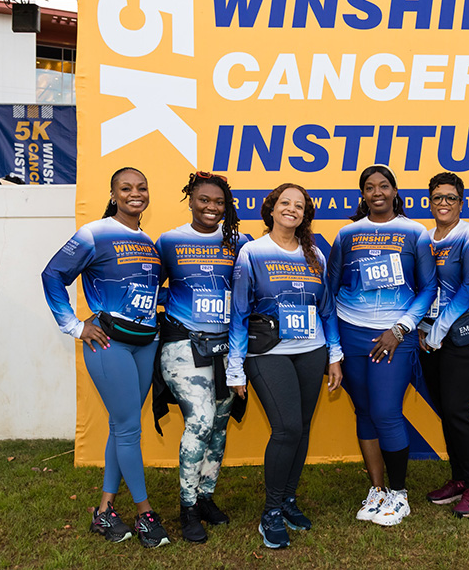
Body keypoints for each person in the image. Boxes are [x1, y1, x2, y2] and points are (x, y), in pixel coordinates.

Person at [41, 167, 170, 547]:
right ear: (114, 194)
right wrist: (75, 326)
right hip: (108, 344)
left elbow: (144, 292)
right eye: (126, 188)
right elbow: (52, 274)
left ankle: (104, 511)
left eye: (142, 187)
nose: (135, 193)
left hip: (145, 342)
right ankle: (145, 514)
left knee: (122, 425)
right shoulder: (93, 233)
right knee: (130, 427)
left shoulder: (147, 240)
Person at [226, 183, 343, 549]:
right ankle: (271, 512)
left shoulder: (316, 256)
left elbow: (326, 309)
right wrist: (234, 366)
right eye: (285, 203)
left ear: (305, 214)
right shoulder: (253, 252)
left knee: (302, 428)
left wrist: (335, 354)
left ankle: (289, 500)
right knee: (286, 428)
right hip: (268, 352)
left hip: (312, 349)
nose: (292, 209)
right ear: (272, 209)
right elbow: (240, 312)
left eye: (299, 205)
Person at [327, 164, 437, 527]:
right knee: (364, 412)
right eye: (370, 187)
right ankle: (376, 490)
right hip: (351, 332)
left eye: (384, 186)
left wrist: (401, 328)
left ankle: (399, 494)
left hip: (394, 336)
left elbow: (428, 289)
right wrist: (334, 345)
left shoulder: (415, 232)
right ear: (363, 195)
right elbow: (331, 288)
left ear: (394, 191)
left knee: (387, 412)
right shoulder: (347, 234)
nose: (377, 192)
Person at [154, 172, 249, 543]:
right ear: (190, 200)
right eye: (204, 200)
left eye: (219, 202)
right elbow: (146, 281)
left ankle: (206, 496)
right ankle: (187, 506)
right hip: (183, 342)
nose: (211, 207)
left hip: (227, 347)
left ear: (228, 207)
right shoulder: (171, 241)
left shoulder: (240, 242)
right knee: (201, 419)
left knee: (220, 425)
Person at [417, 172, 469, 518]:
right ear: (429, 201)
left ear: (460, 203)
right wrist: (423, 327)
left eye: (450, 197)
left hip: (465, 333)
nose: (443, 203)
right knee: (446, 409)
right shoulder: (426, 237)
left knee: (458, 410)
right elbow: (426, 288)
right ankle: (459, 480)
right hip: (432, 337)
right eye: (437, 197)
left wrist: (440, 328)